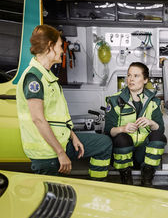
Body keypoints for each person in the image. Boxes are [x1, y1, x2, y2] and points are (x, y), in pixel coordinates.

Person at [16, 24, 112, 179]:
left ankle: (97, 187)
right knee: (52, 198)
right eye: (60, 46)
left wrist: (73, 137)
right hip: (47, 152)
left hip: (61, 141)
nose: (62, 50)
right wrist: (60, 153)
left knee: (103, 143)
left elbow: (58, 117)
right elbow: (38, 119)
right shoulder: (34, 78)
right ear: (50, 46)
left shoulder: (47, 76)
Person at [105, 62, 166, 186]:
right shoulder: (114, 100)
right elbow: (108, 130)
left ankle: (148, 175)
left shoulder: (154, 101)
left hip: (144, 153)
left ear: (145, 80)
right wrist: (123, 128)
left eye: (136, 76)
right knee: (121, 137)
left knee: (159, 137)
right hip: (124, 153)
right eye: (129, 75)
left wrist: (151, 122)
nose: (131, 79)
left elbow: (161, 128)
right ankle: (125, 176)